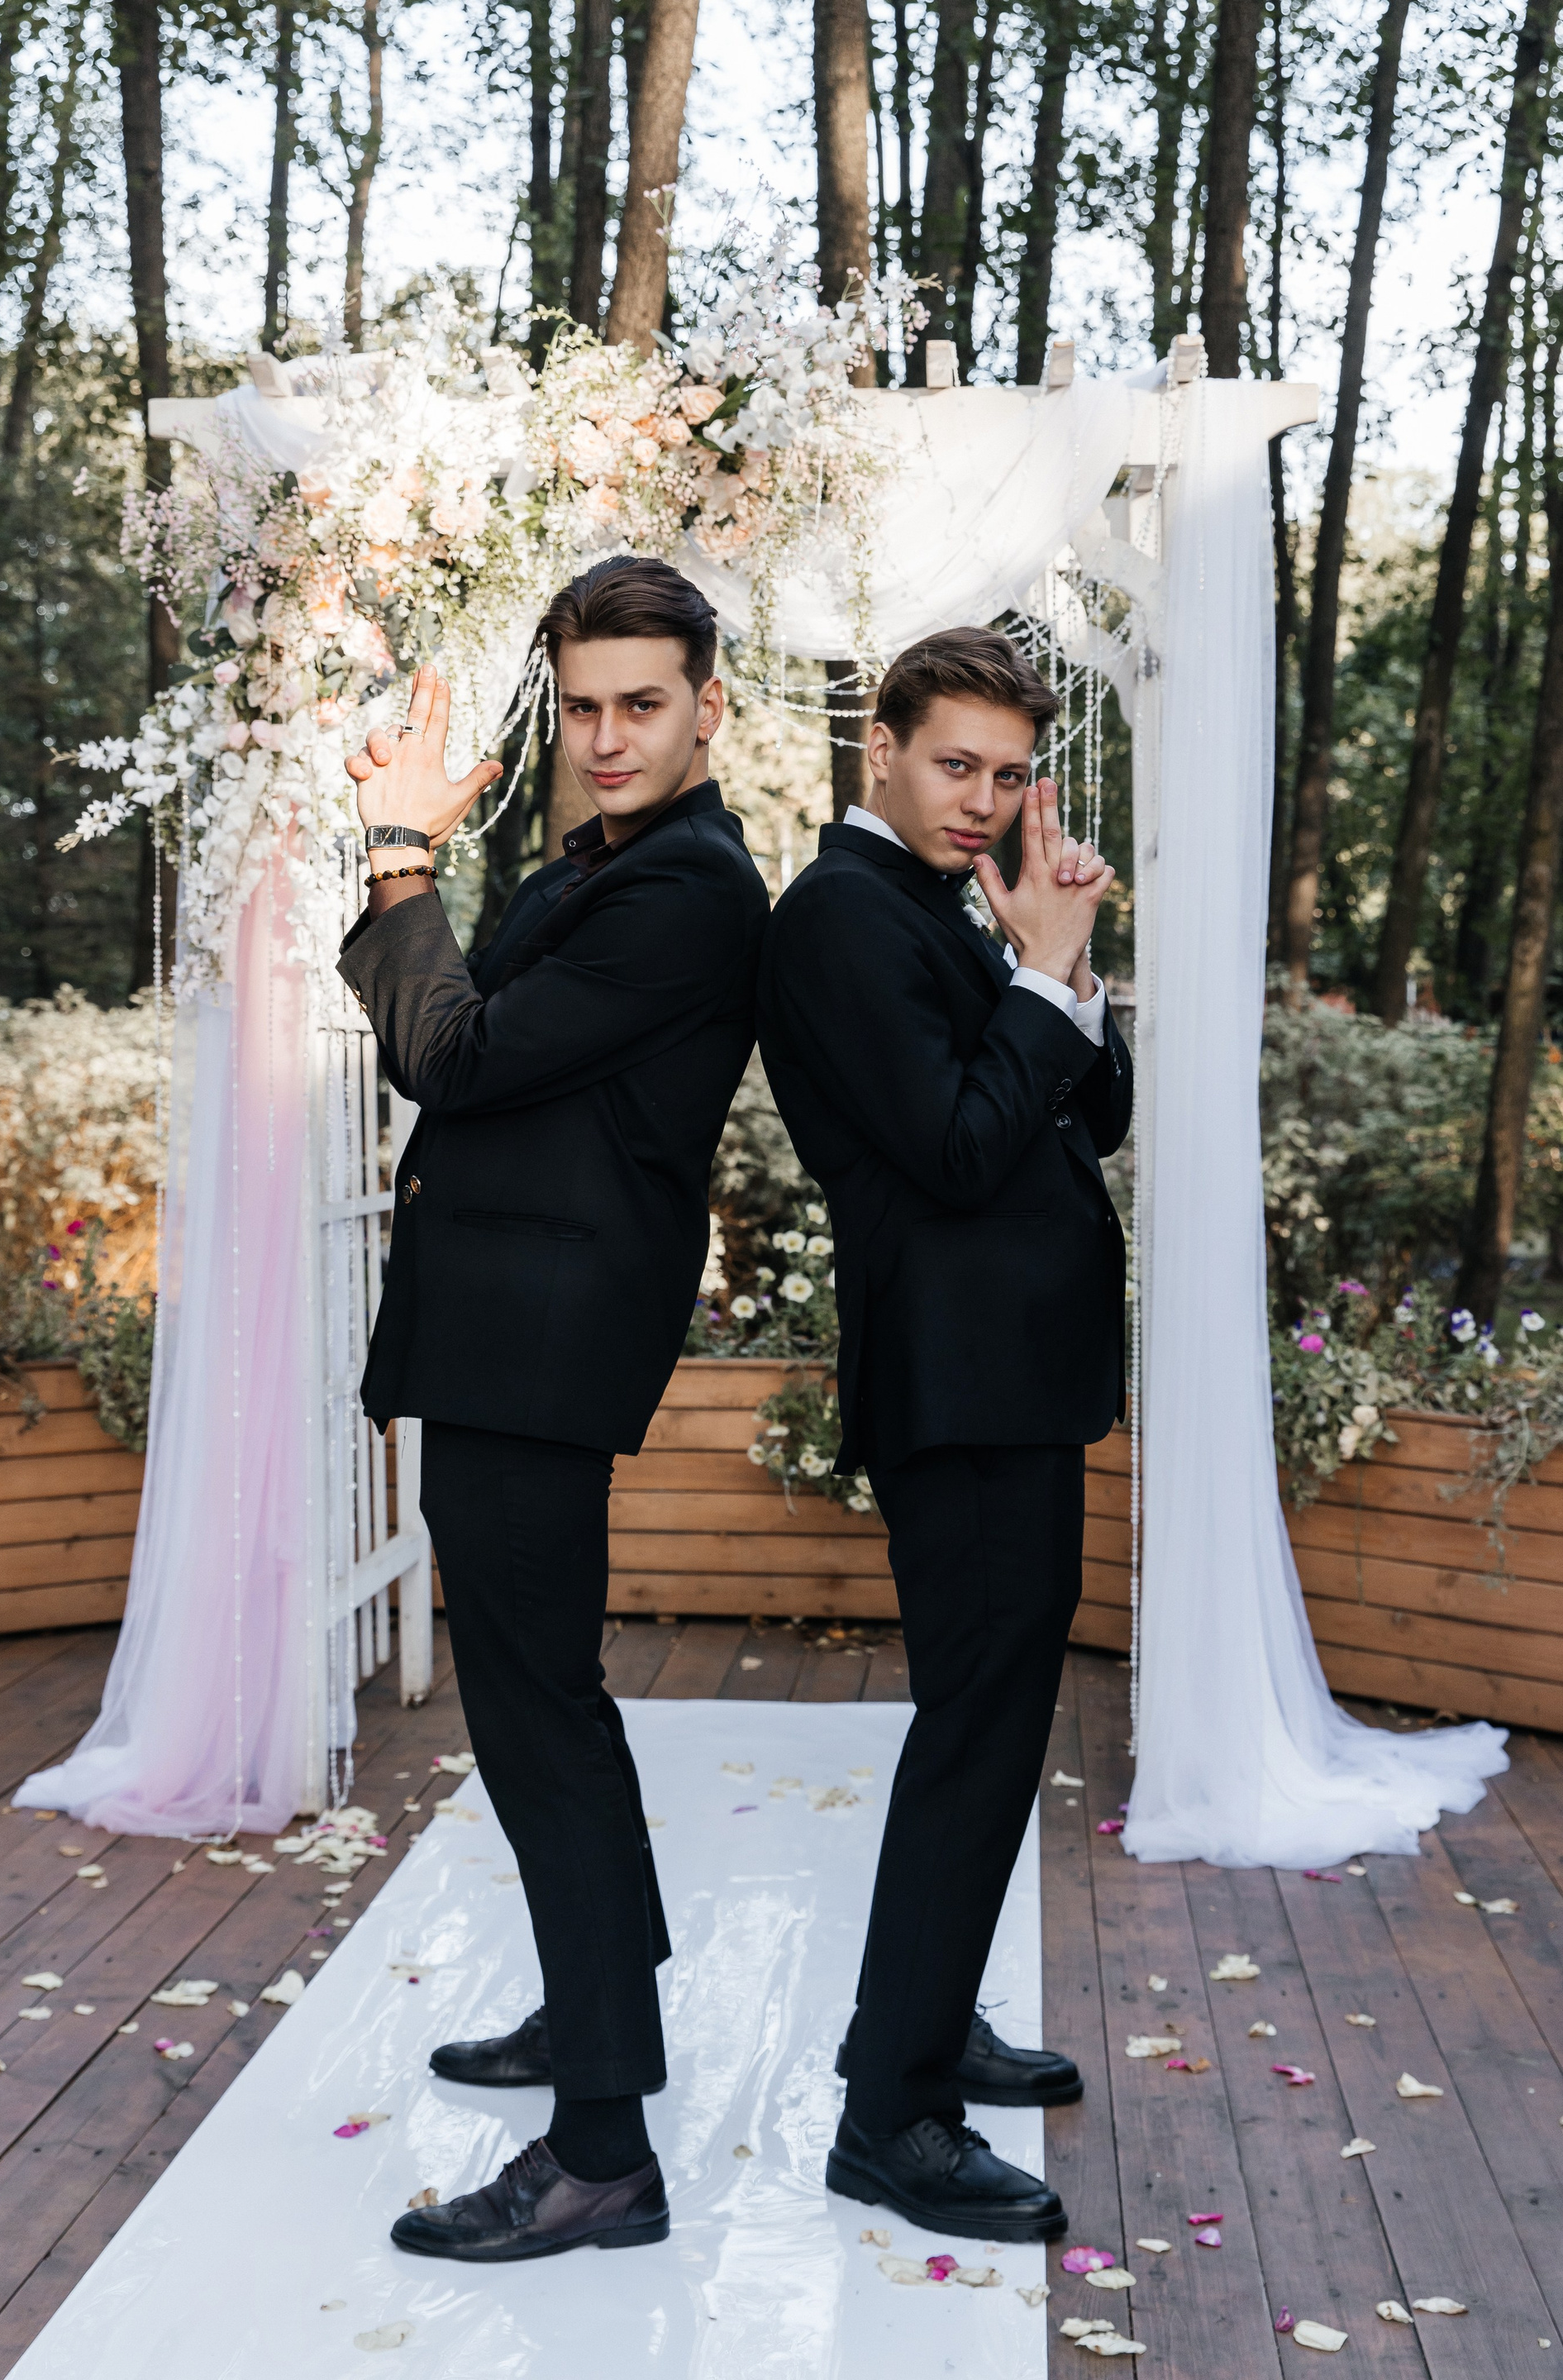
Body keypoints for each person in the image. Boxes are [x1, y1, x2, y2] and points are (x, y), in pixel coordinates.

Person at [336, 555, 771, 2263]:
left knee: (539, 1719)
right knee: (542, 1710)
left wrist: (400, 858)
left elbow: (450, 1055)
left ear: (707, 708)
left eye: (640, 705)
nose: (605, 738)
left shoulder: (688, 892)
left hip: (539, 1346)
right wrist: (423, 872)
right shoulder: (601, 863)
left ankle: (602, 2154)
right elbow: (467, 1040)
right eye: (582, 707)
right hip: (509, 1336)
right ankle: (596, 2010)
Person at [755, 625, 1132, 2244]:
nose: (981, 798)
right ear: (883, 752)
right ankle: (891, 2117)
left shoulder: (951, 901)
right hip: (958, 1383)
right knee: (976, 1731)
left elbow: (1093, 1112)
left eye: (1005, 773)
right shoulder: (839, 915)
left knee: (992, 1724)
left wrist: (1063, 968)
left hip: (1012, 1379)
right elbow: (967, 1150)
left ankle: (923, 2018)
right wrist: (1036, 977)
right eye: (953, 765)